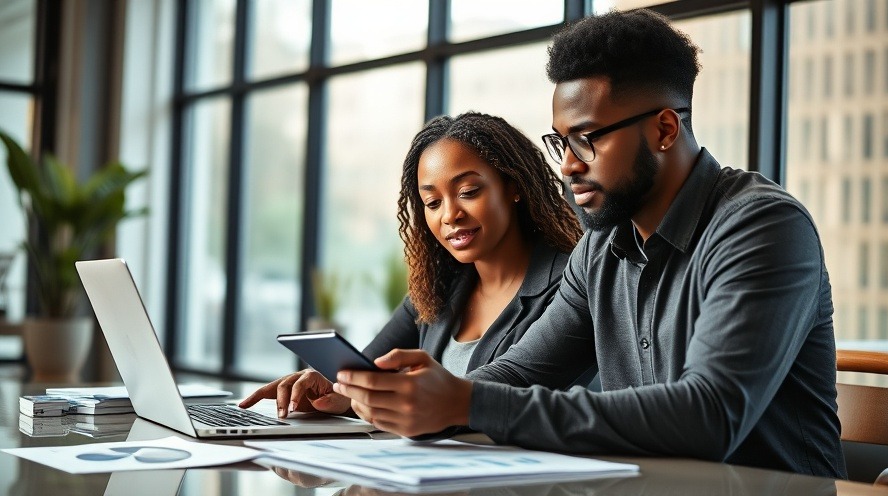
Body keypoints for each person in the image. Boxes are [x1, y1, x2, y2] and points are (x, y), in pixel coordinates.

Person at [331, 9, 847, 478]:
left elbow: (709, 416)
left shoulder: (761, 226)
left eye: (587, 138)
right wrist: (419, 396)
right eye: (561, 142)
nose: (568, 165)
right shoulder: (601, 247)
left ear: (665, 128)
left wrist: (465, 404)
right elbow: (520, 372)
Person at [240, 111, 583, 417]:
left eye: (468, 192)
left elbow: (513, 386)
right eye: (433, 202)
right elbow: (367, 370)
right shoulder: (439, 288)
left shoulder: (570, 284)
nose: (450, 215)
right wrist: (337, 388)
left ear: (514, 187)